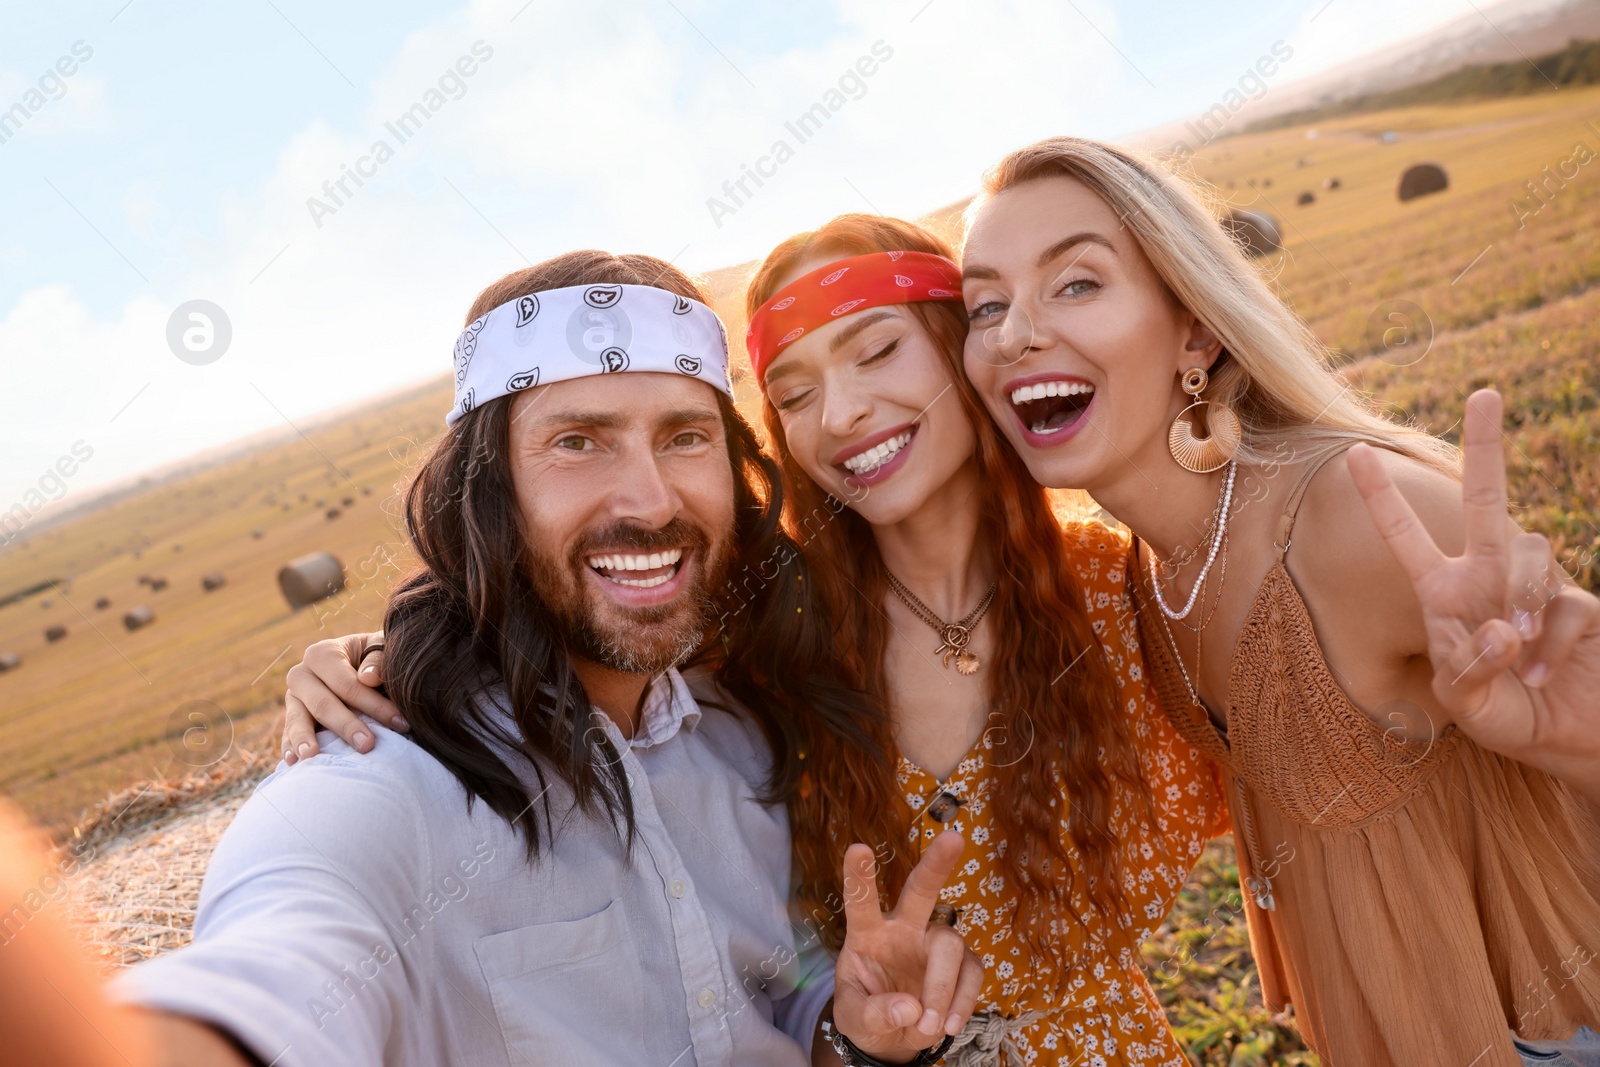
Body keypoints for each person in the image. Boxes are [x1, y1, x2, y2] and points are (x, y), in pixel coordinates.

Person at [283, 217, 1230, 1067]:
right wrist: (395, 650)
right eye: (795, 390)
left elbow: (1281, 770)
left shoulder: (1115, 585)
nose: (844, 412)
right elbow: (584, 613)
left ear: (965, 354)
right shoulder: (766, 629)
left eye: (878, 351)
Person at [108, 251, 983, 1067]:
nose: (650, 499)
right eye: (578, 441)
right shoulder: (379, 788)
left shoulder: (744, 733)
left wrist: (852, 1029)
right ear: (489, 493)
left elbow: (776, 1001)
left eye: (684, 437)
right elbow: (273, 970)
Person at [958, 135, 1600, 1066]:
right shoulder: (1145, 575)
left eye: (1077, 283)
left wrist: (1566, 731)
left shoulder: (1353, 512)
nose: (1015, 333)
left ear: (1195, 330)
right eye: (986, 305)